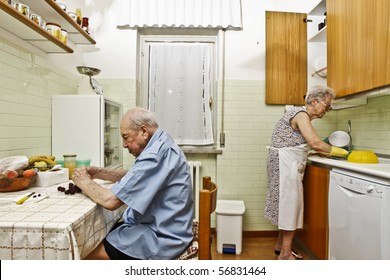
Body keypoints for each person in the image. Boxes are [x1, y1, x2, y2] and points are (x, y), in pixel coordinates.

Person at [72, 107, 194, 260]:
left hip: (162, 238)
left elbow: (110, 200)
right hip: (170, 229)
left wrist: (83, 181)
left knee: (84, 254)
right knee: (99, 236)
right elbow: (136, 176)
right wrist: (99, 172)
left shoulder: (155, 155)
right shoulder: (161, 143)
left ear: (143, 131)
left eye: (126, 137)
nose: (123, 144)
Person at [263, 85, 348, 260]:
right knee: (289, 206)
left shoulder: (299, 114)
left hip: (284, 164)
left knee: (287, 205)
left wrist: (311, 152)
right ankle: (286, 254)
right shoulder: (301, 115)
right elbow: (315, 142)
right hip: (285, 166)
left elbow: (294, 143)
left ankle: (281, 246)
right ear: (315, 102)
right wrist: (344, 153)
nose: (328, 109)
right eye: (327, 105)